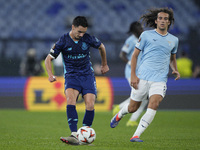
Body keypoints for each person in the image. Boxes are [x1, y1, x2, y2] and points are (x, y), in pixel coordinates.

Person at [110, 7, 180, 142]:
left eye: (166, 19)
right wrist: (133, 76)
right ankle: (119, 114)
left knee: (154, 104)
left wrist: (175, 69)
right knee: (132, 108)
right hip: (143, 77)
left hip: (159, 80)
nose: (163, 21)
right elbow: (135, 56)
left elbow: (172, 58)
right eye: (160, 18)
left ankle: (136, 135)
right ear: (156, 21)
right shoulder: (146, 35)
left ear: (169, 22)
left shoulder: (174, 40)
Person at [45, 16, 109, 145]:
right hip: (72, 76)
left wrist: (104, 64)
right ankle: (74, 134)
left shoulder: (87, 38)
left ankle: (85, 132)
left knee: (90, 104)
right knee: (70, 100)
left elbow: (102, 47)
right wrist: (50, 74)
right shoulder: (63, 40)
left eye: (83, 32)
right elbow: (48, 59)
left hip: (87, 76)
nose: (81, 35)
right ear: (73, 27)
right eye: (79, 32)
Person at [112, 21, 148, 127]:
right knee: (142, 96)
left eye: (142, 28)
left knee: (143, 97)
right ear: (134, 31)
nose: (142, 30)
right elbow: (122, 54)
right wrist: (129, 62)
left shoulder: (144, 39)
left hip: (142, 72)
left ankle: (120, 108)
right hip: (131, 72)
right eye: (139, 28)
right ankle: (131, 119)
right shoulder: (131, 40)